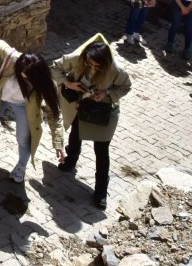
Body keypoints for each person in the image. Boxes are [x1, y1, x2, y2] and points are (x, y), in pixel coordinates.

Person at [51, 34, 132, 210]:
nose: (93, 68)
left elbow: (126, 86)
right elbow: (55, 67)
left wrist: (107, 94)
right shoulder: (77, 59)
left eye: (97, 66)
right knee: (76, 133)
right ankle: (71, 160)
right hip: (80, 106)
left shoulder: (116, 70)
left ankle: (101, 190)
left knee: (101, 150)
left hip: (102, 112)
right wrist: (68, 83)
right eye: (90, 64)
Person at [0, 41, 64, 202]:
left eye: (28, 78)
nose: (23, 78)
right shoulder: (15, 59)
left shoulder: (47, 83)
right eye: (21, 74)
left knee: (24, 139)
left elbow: (54, 114)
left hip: (24, 106)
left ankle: (21, 167)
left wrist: (58, 142)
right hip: (0, 98)